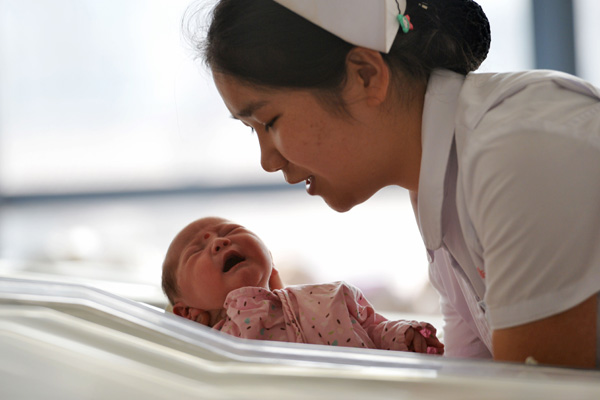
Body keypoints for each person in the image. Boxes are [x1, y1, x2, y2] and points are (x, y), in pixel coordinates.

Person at [189, 0, 600, 368]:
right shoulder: (443, 184)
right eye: (252, 130)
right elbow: (472, 375)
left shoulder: (518, 154)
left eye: (269, 122)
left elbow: (531, 389)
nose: (267, 161)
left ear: (366, 75)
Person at [161, 216, 445, 354]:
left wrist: (403, 336)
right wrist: (250, 296)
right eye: (196, 250)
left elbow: (372, 330)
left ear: (269, 258)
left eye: (231, 231)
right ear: (188, 314)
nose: (219, 241)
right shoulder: (217, 346)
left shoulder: (329, 296)